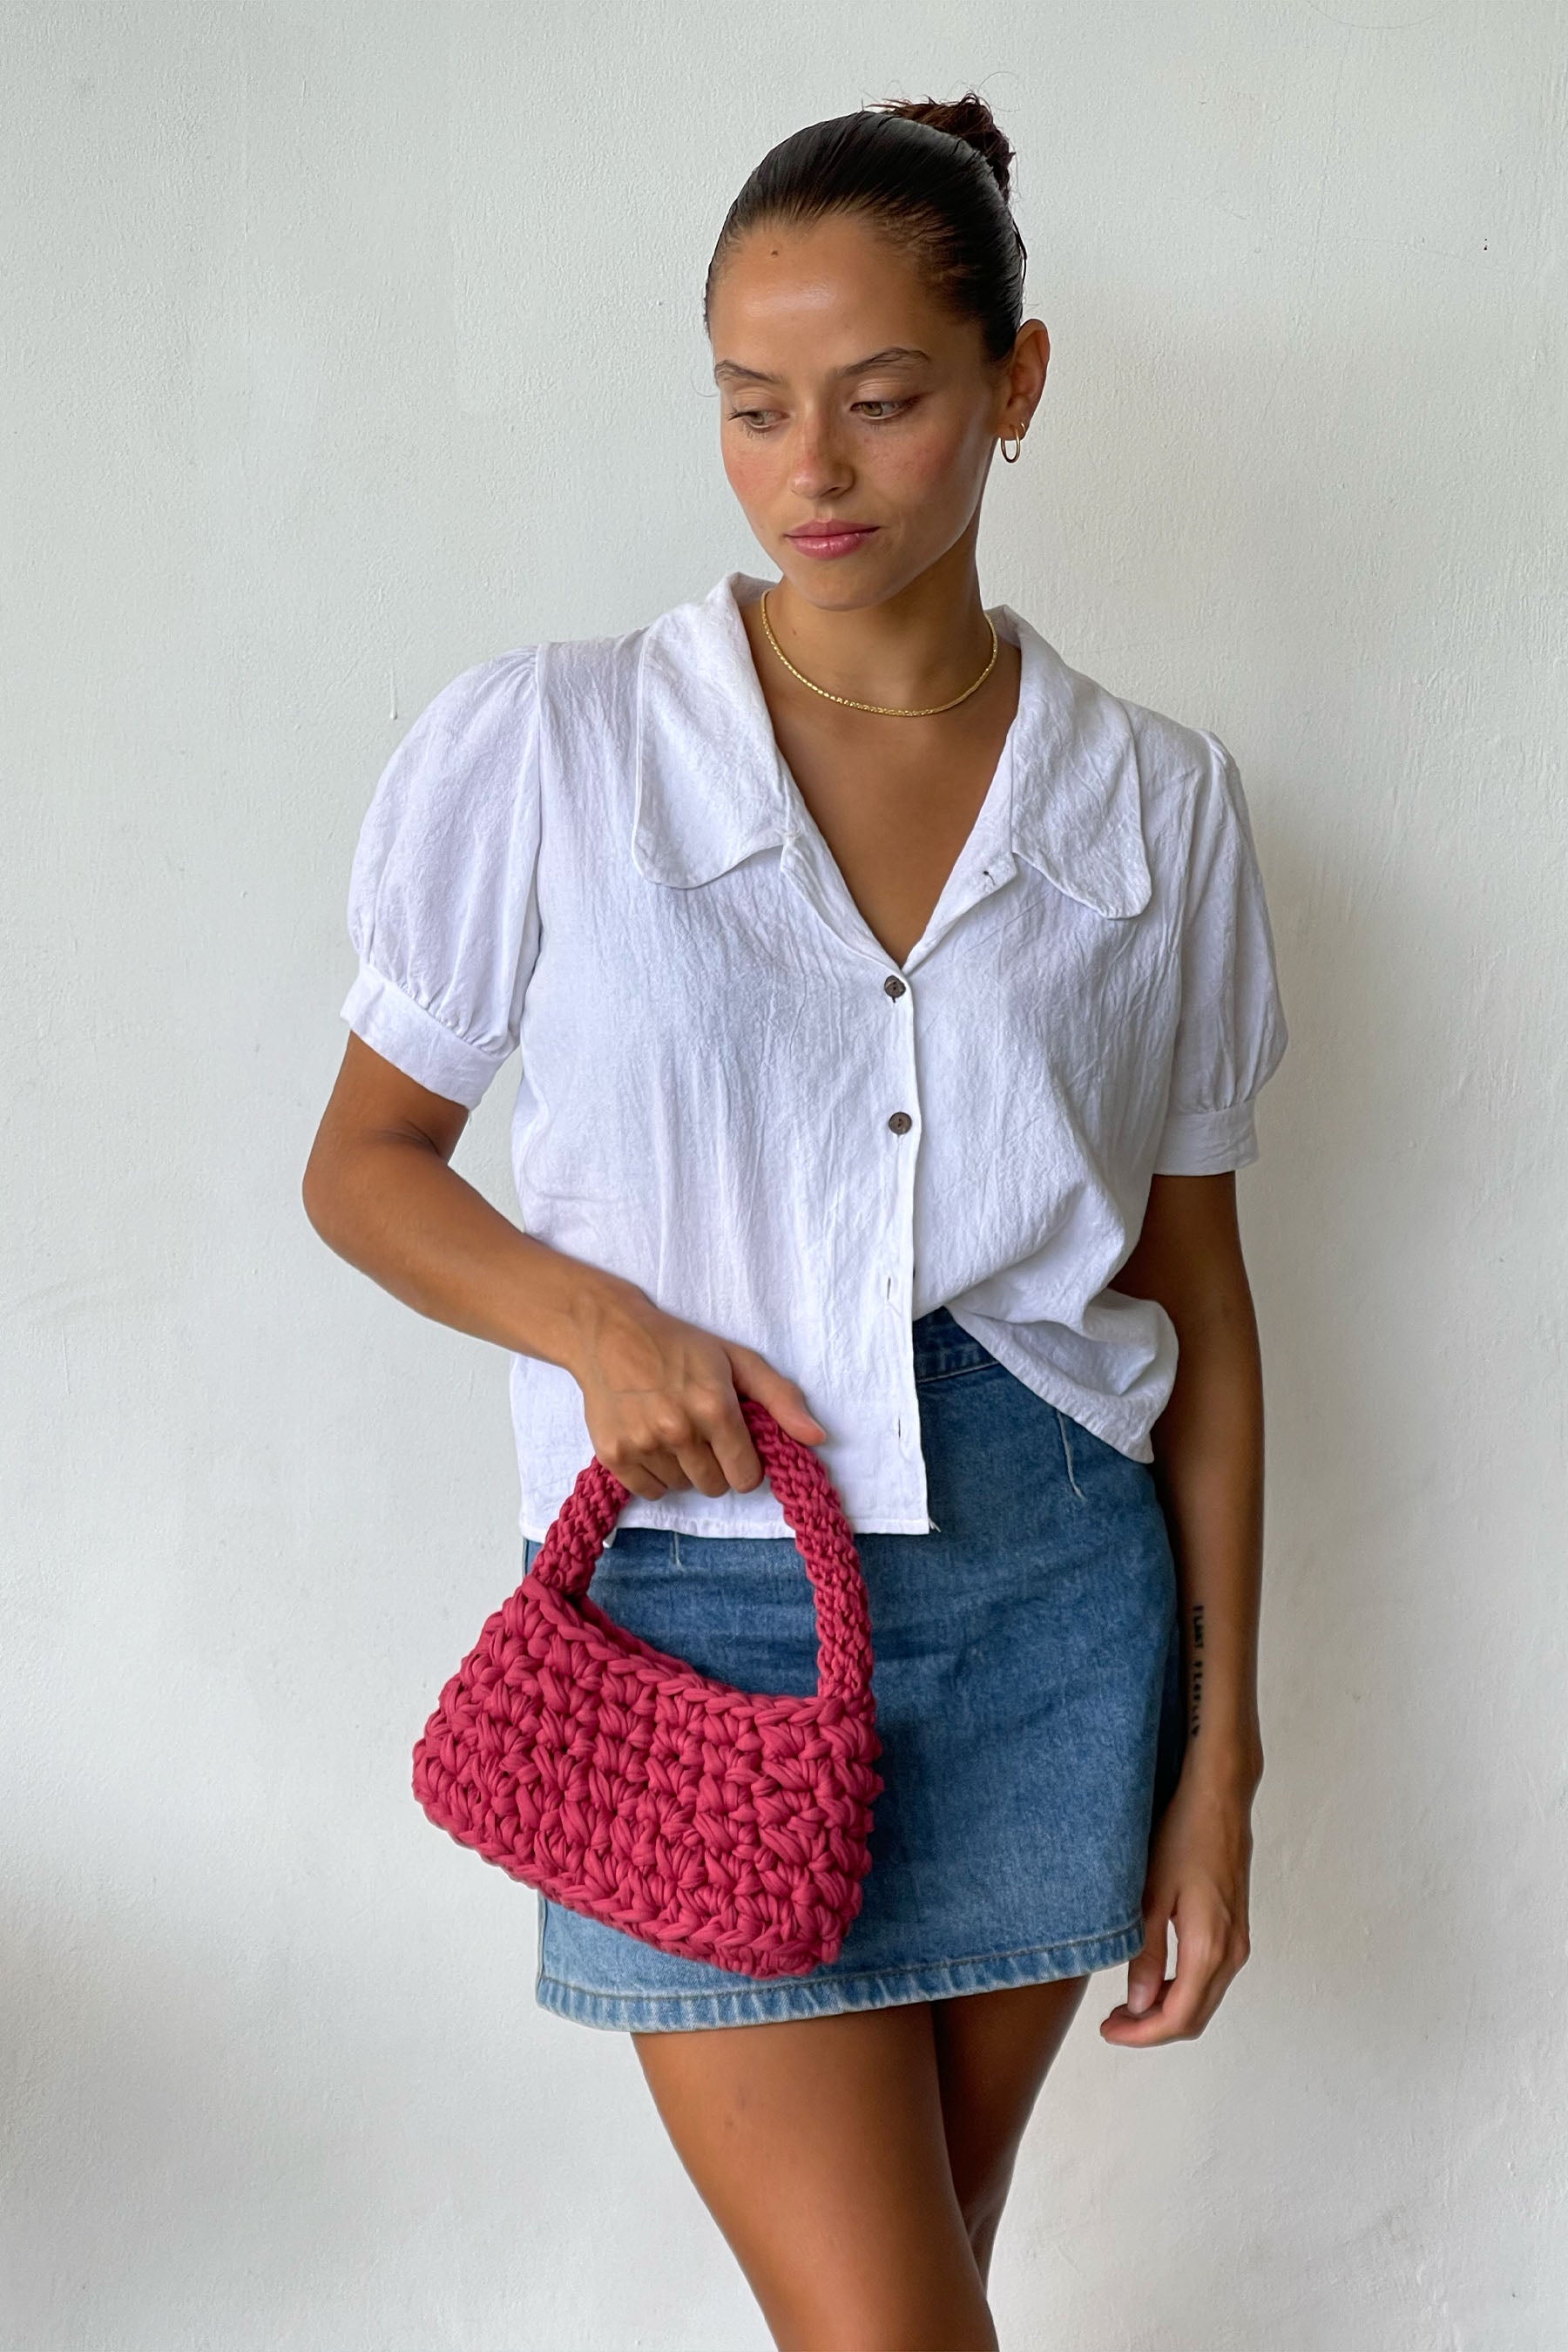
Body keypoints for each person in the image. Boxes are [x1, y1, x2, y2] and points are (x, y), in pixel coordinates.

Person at [304, 91, 1288, 2352]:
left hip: (1061, 1622)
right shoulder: (555, 748)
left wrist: (1221, 1769)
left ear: (1015, 389)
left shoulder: (1157, 802)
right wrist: (598, 1325)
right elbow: (361, 1161)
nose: (810, 473)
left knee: (902, 2301)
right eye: (754, 409)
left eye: (884, 402)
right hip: (703, 1626)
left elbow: (1201, 1307)